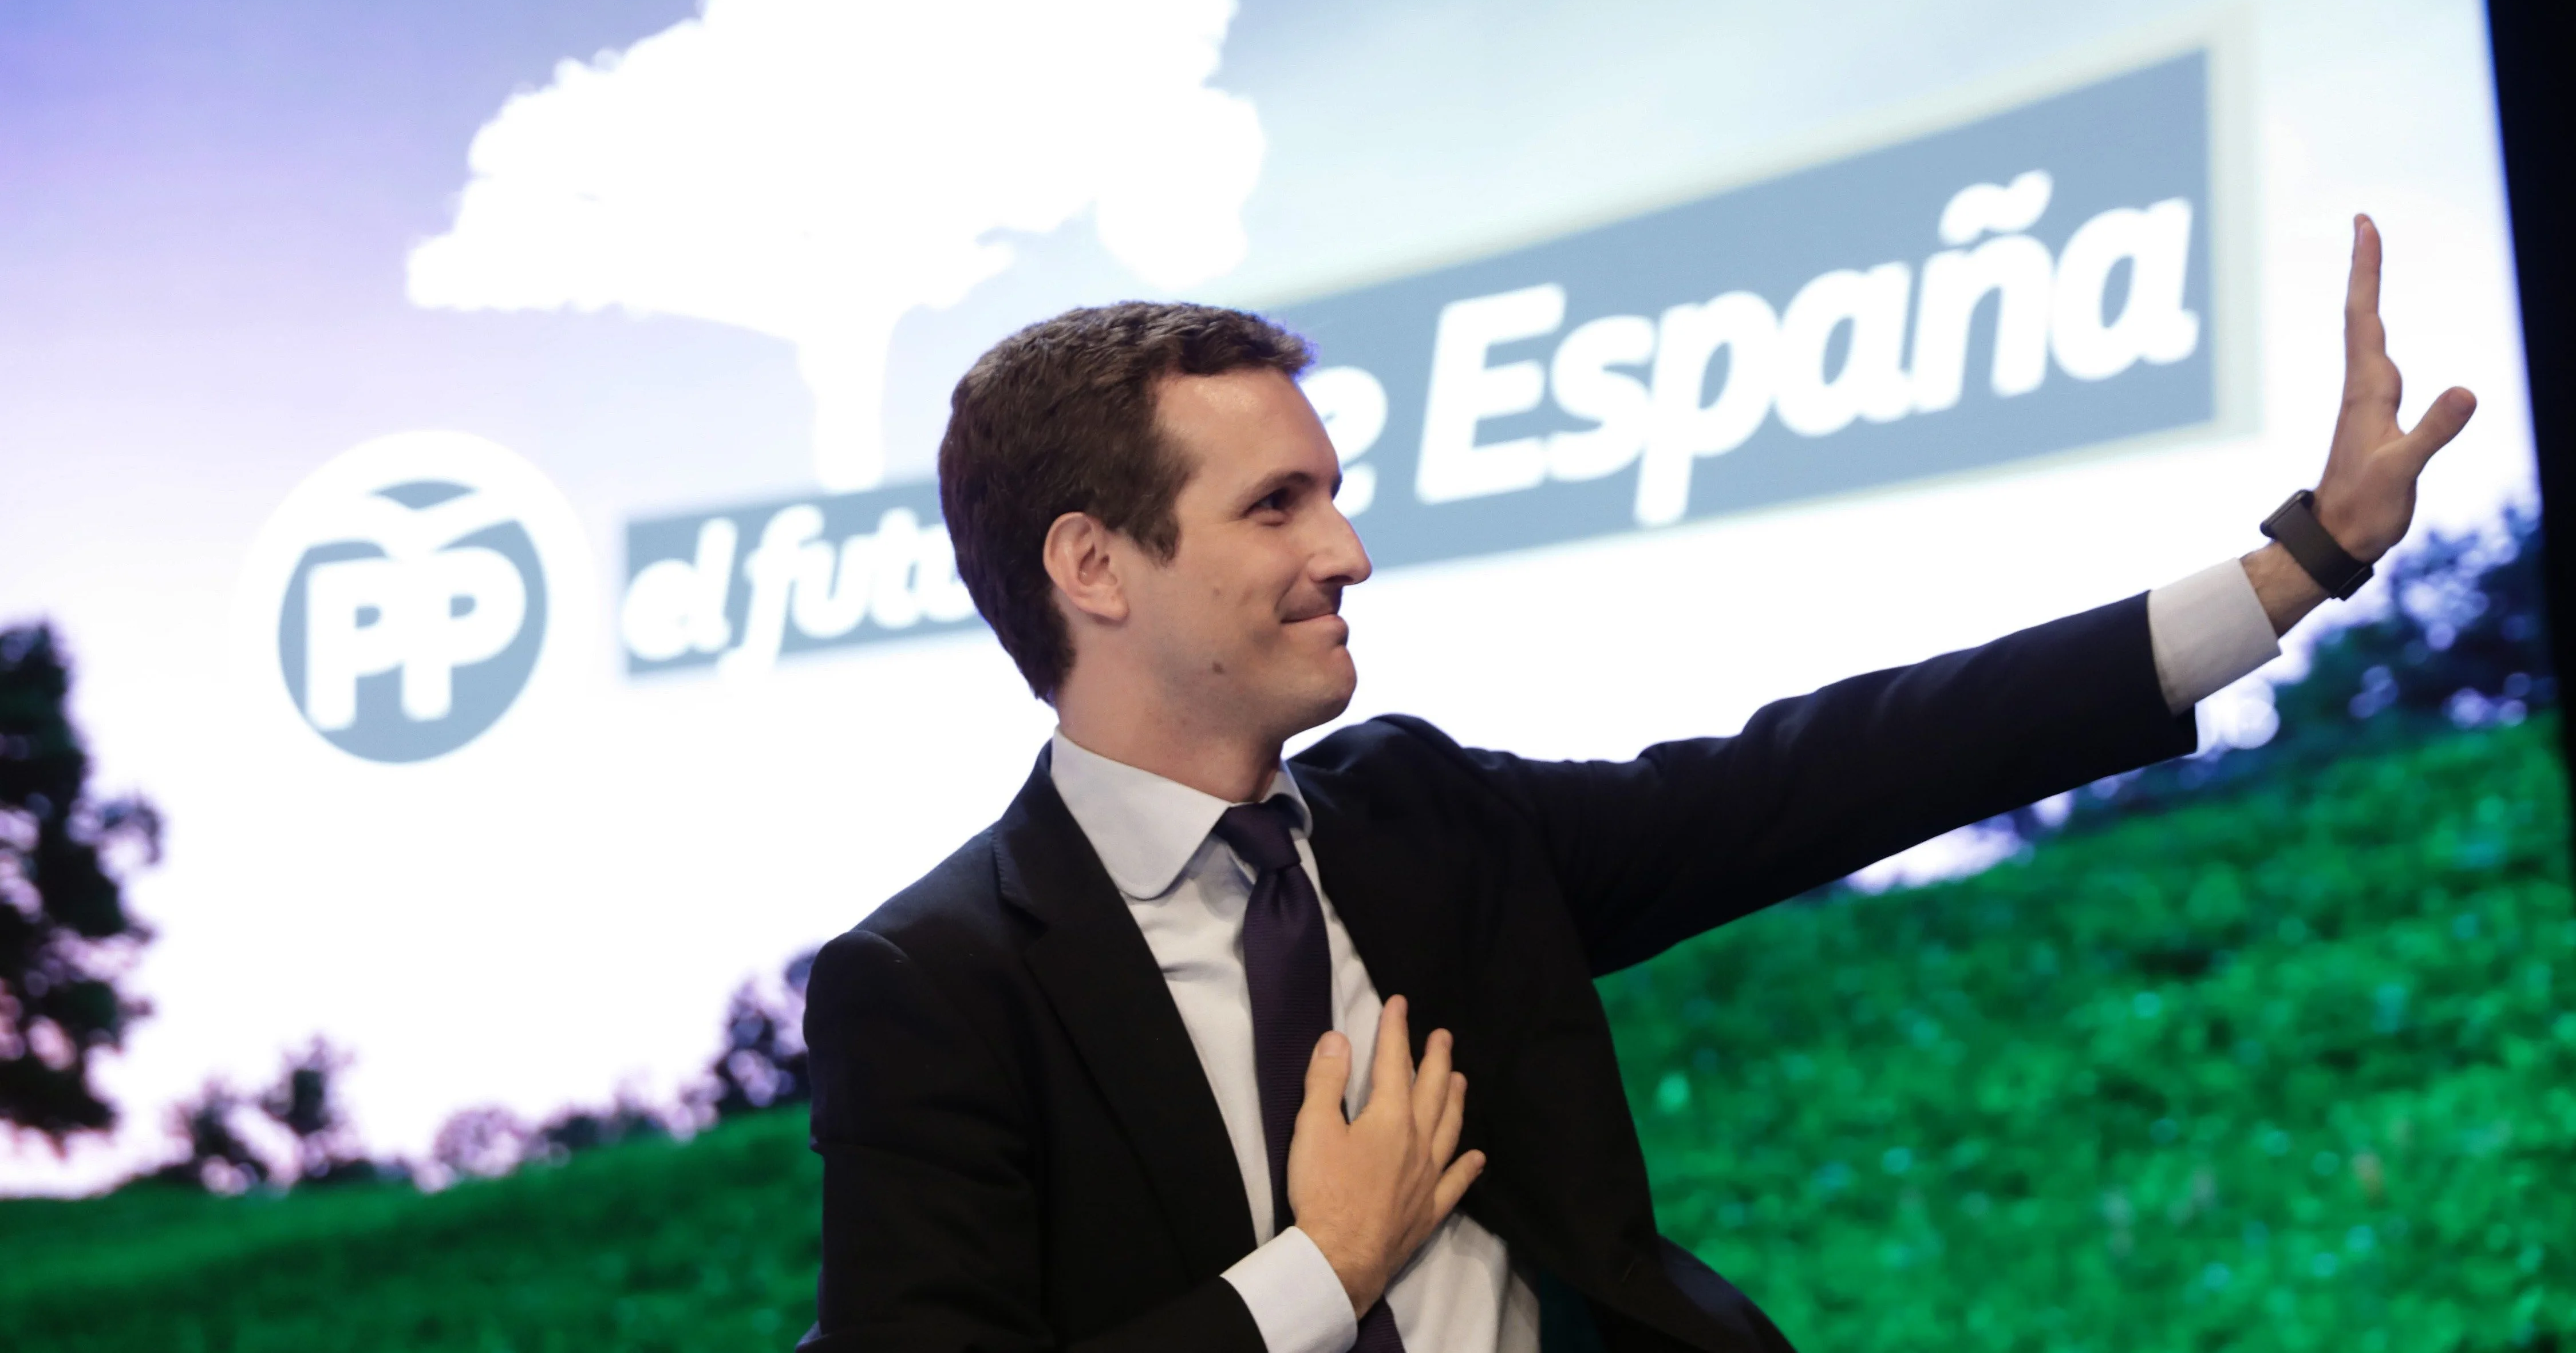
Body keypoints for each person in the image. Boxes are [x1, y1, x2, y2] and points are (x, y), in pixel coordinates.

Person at [795, 217, 2473, 1353]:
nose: (1348, 552)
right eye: (1276, 506)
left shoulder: (1428, 821)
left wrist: (2294, 566)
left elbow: (1836, 770)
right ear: (1093, 564)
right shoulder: (931, 986)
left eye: (1334, 495)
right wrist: (1323, 1271)